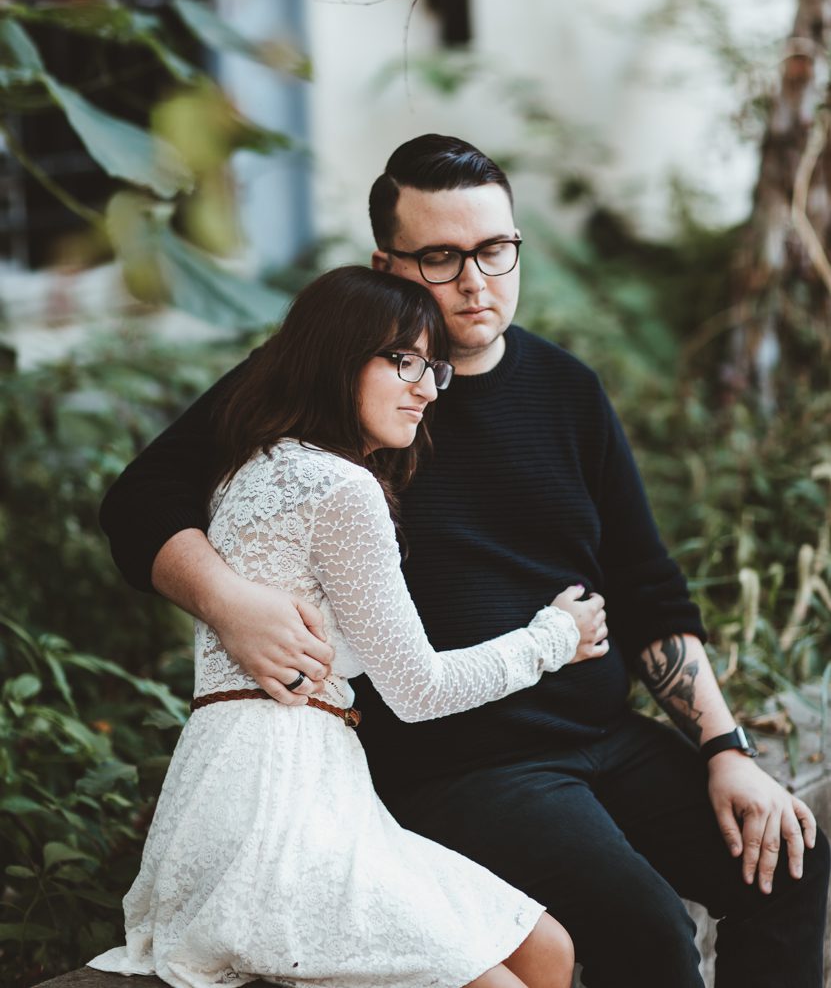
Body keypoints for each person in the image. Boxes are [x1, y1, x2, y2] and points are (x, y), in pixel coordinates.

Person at [101, 136, 830, 988]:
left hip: (599, 735)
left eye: (493, 249)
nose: (475, 281)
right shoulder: (337, 383)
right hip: (459, 765)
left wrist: (725, 750)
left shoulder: (566, 388)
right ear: (387, 265)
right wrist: (228, 601)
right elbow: (141, 498)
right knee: (645, 928)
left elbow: (645, 587)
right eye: (441, 257)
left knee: (788, 862)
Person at [90, 265, 599, 988]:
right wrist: (552, 638)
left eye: (432, 368)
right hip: (284, 799)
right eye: (403, 361)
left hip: (241, 786)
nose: (427, 388)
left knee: (545, 948)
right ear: (336, 357)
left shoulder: (251, 470)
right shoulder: (341, 487)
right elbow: (418, 689)